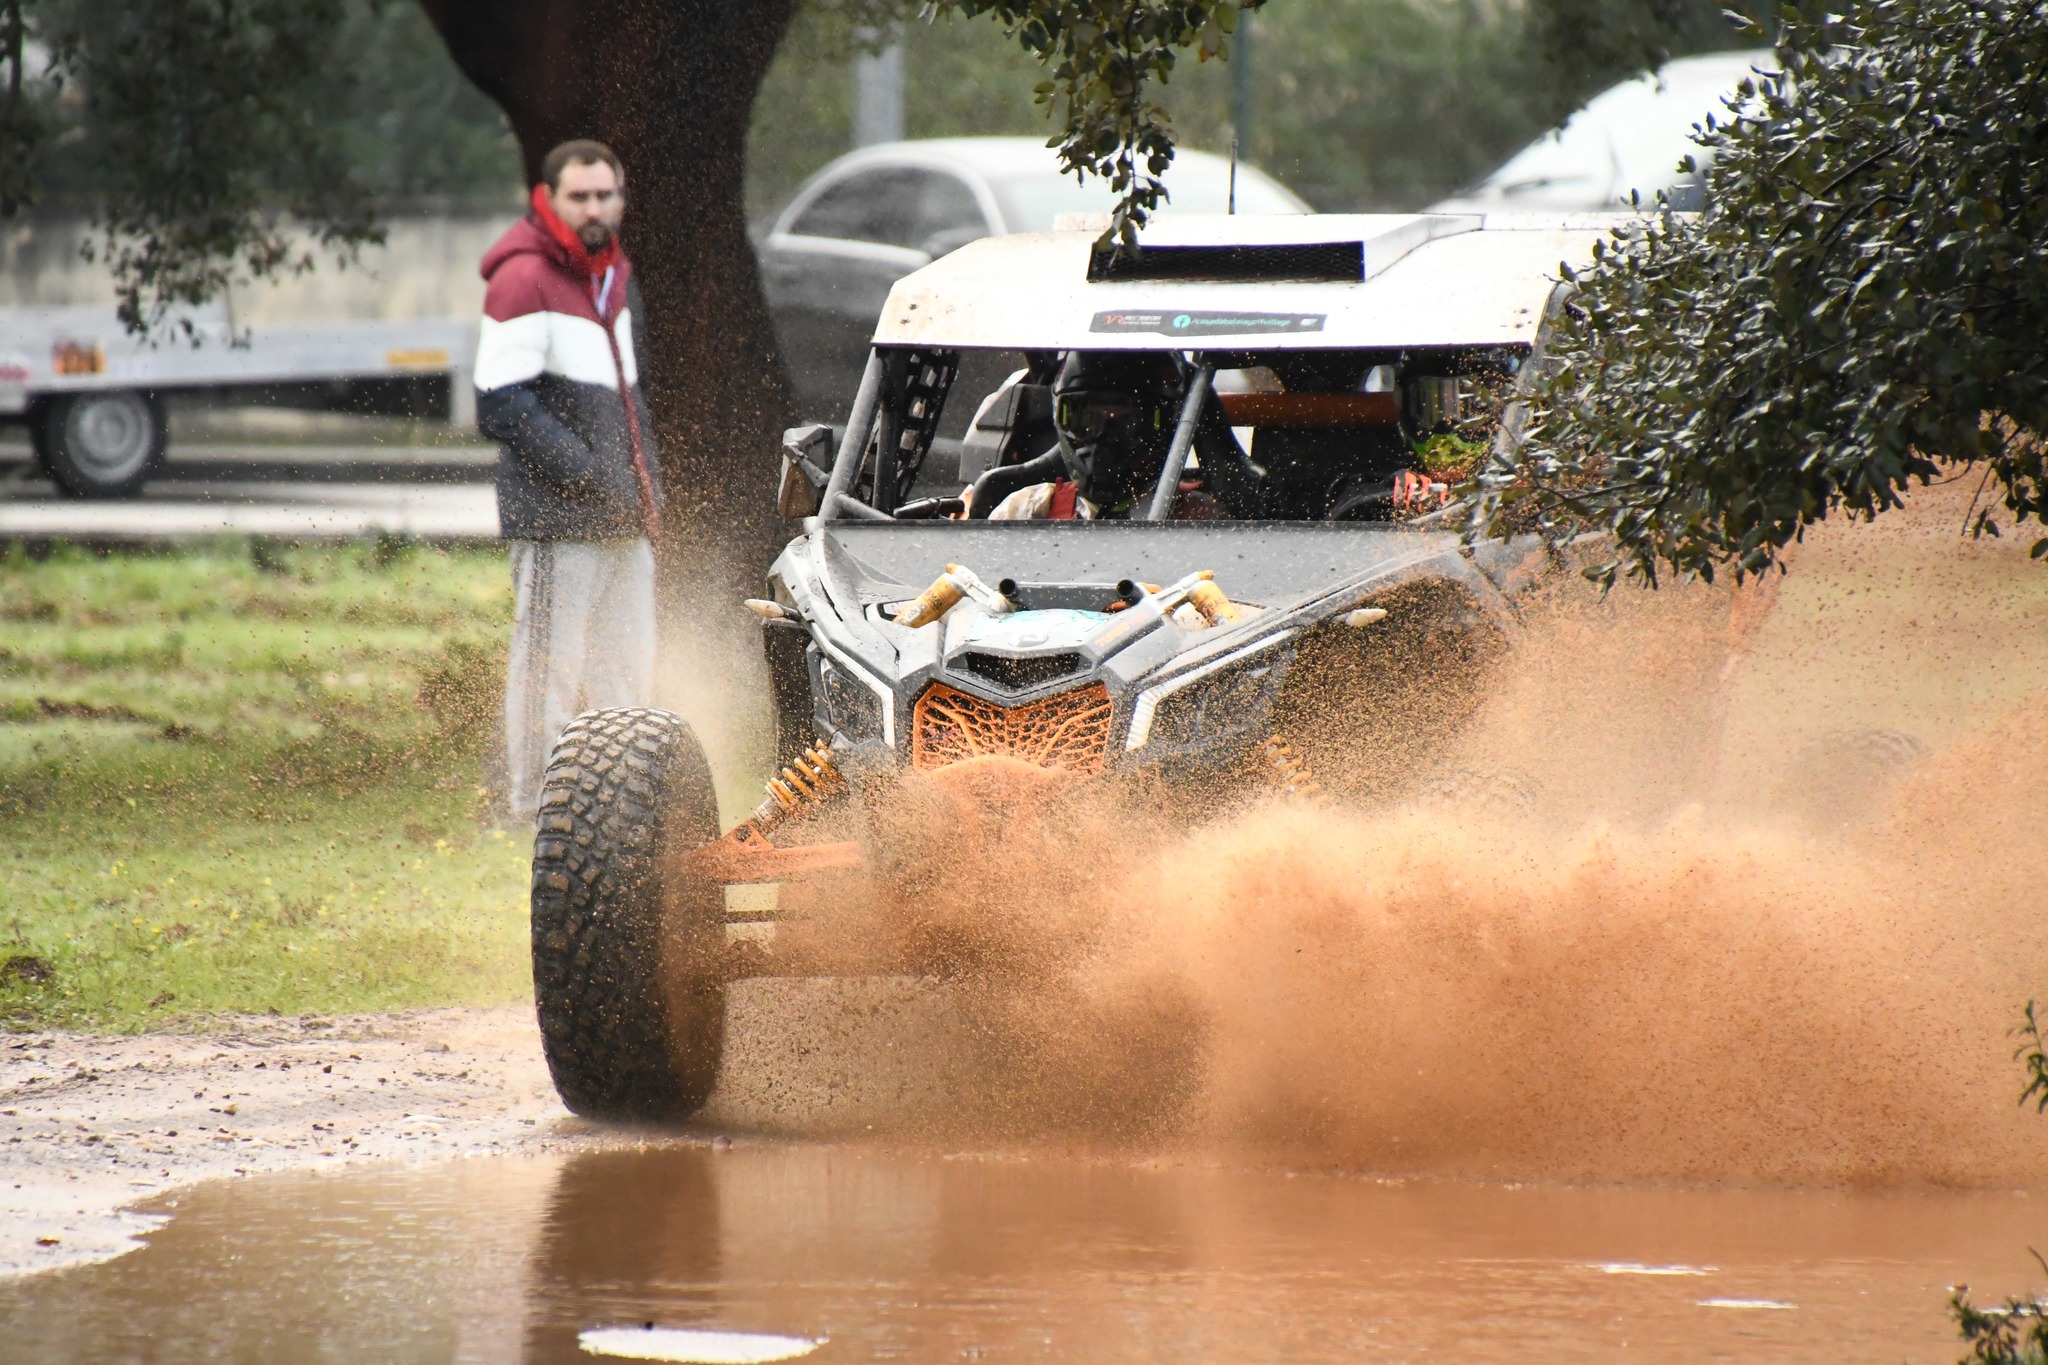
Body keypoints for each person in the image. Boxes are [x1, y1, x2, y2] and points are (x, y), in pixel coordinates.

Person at [475, 139, 665, 822]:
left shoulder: (611, 276)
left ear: (621, 198)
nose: (593, 208)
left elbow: (629, 405)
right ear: (548, 199)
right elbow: (498, 400)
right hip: (559, 520)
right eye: (579, 196)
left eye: (604, 195)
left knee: (627, 673)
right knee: (546, 672)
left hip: (622, 518)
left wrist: (645, 494)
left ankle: (618, 814)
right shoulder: (524, 278)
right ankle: (533, 809)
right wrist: (586, 476)